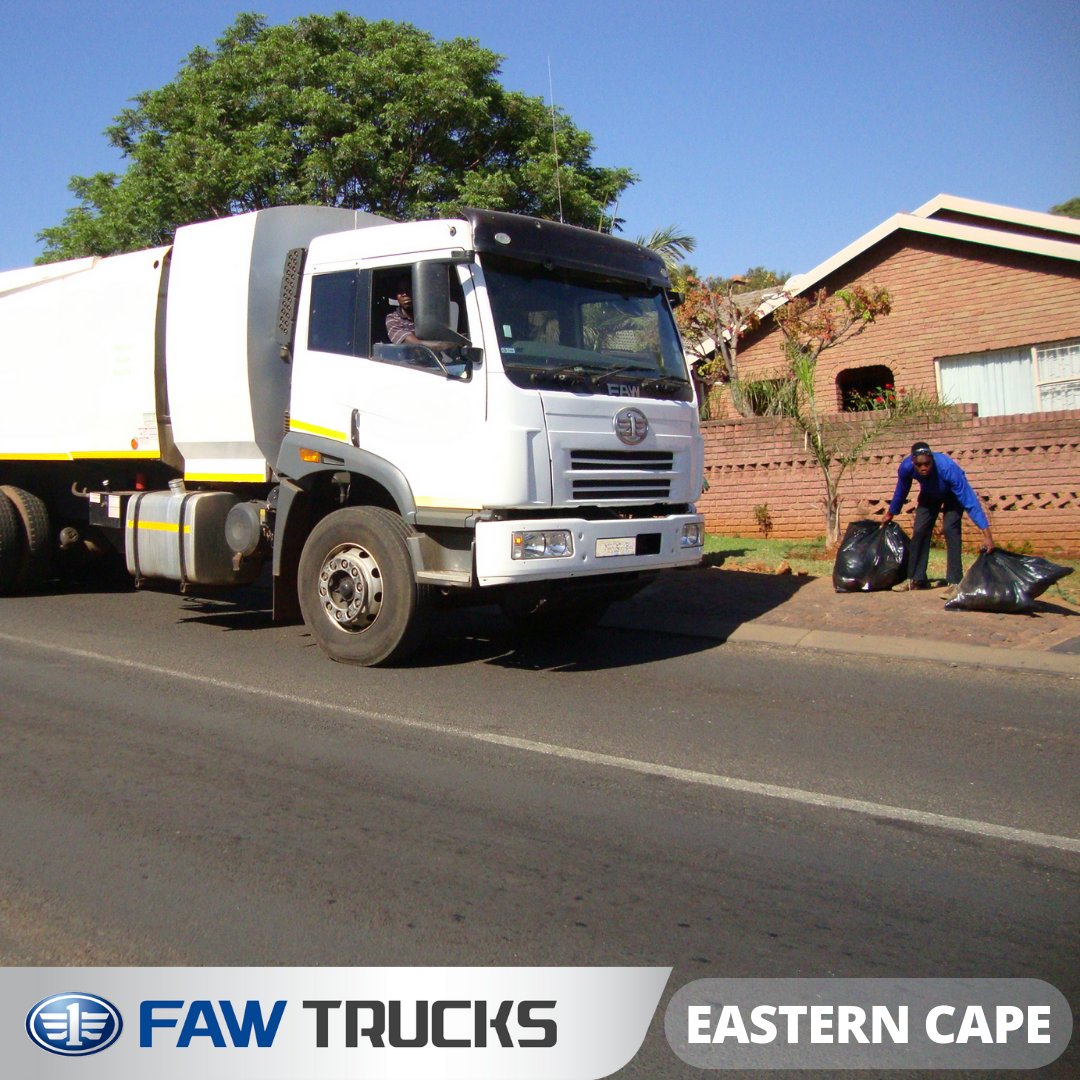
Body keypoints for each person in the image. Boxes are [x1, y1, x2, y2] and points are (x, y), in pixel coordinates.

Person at [882, 440, 994, 592]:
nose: (923, 468)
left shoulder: (948, 468)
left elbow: (970, 501)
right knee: (920, 530)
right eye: (919, 465)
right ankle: (916, 579)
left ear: (932, 460)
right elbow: (901, 491)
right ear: (913, 462)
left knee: (950, 529)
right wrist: (891, 513)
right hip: (929, 494)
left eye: (927, 464)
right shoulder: (906, 468)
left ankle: (954, 581)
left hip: (952, 496)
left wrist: (986, 534)